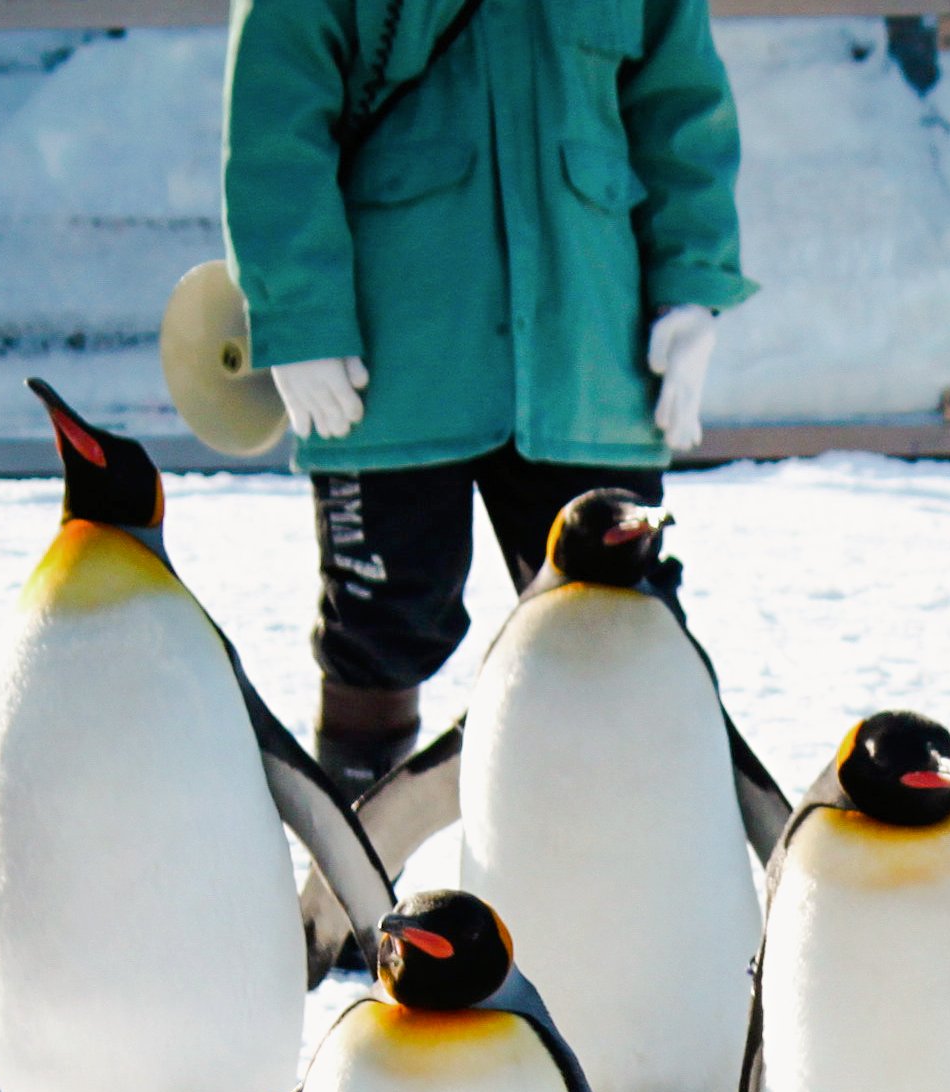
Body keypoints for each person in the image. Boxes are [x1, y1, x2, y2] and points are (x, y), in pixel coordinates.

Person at [225, 0, 751, 786]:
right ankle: (350, 883)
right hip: (391, 358)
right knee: (377, 633)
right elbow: (278, 102)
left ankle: (623, 890)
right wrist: (298, 313)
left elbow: (680, 100)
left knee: (624, 634)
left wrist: (692, 284)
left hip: (587, 353)